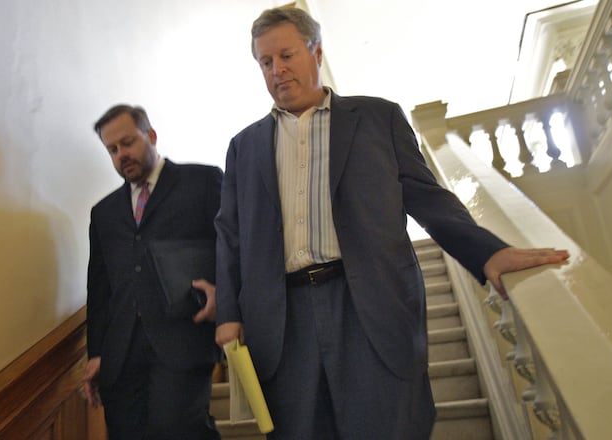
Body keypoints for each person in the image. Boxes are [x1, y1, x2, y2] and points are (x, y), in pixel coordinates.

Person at [213, 7, 570, 440]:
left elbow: (426, 197)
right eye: (265, 63)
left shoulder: (378, 118)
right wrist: (229, 314)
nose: (277, 70)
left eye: (286, 55)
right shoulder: (242, 148)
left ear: (316, 52)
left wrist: (488, 251)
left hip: (370, 305)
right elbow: (231, 235)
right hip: (282, 322)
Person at [82, 104, 221, 440]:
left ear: (151, 135)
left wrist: (226, 295)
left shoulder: (203, 181)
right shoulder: (103, 213)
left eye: (127, 143)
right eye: (112, 150)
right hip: (121, 355)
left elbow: (236, 248)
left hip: (183, 342)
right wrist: (97, 353)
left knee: (180, 431)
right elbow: (100, 291)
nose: (121, 155)